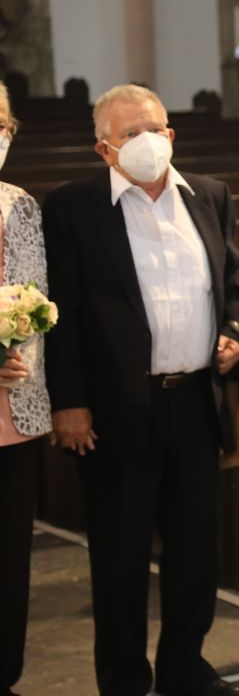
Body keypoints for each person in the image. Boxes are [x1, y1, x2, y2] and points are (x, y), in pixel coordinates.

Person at [42, 84, 239, 696]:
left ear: (171, 134)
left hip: (194, 399)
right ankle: (124, 676)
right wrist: (69, 401)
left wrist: (235, 336)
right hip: (116, 409)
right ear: (104, 148)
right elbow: (66, 313)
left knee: (194, 551)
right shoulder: (75, 208)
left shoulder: (210, 196)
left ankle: (185, 667)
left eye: (154, 128)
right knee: (120, 555)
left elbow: (234, 284)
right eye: (129, 133)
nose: (146, 141)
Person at [0, 84, 53, 696]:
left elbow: (38, 300)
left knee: (11, 561)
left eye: (5, 125)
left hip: (18, 410)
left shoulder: (22, 205)